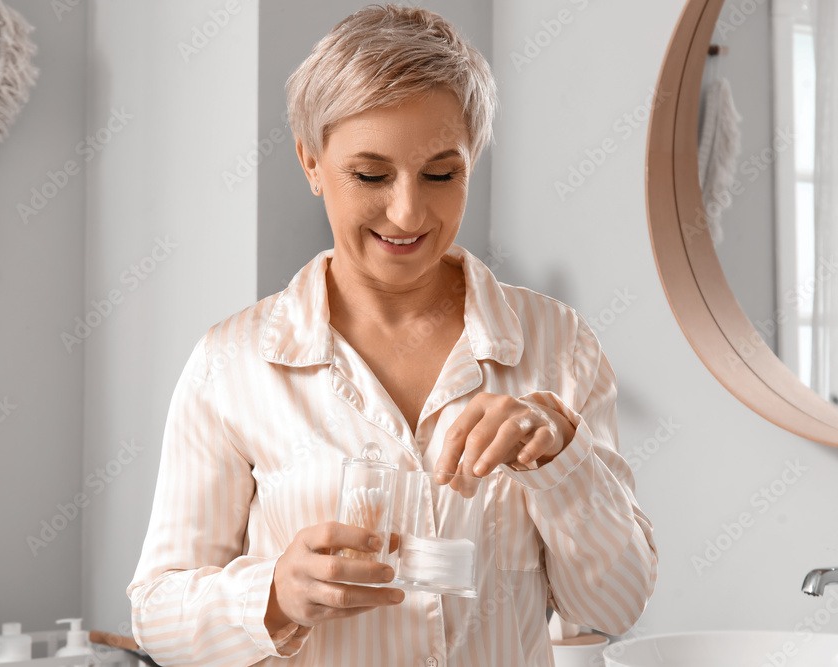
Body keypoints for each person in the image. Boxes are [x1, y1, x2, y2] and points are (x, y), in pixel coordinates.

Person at [126, 4, 658, 665]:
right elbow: (156, 615)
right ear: (312, 162)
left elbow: (615, 607)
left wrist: (562, 464)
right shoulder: (232, 364)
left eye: (441, 173)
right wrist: (274, 593)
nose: (407, 211)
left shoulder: (556, 343)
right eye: (371, 175)